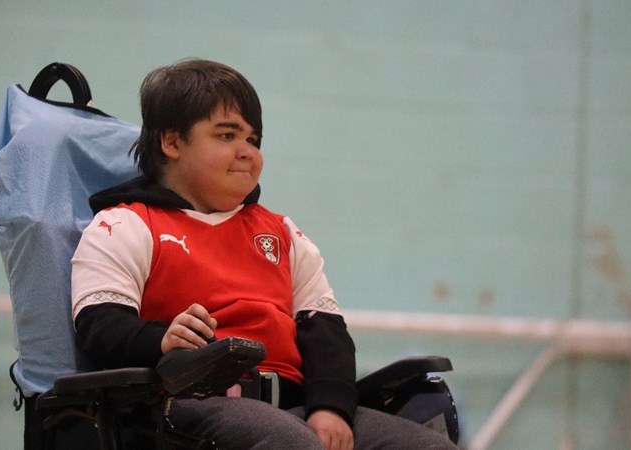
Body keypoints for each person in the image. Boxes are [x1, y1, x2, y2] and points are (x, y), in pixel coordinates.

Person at [71, 58, 457, 450]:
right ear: (172, 143)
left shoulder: (283, 233)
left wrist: (331, 408)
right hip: (184, 406)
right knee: (290, 443)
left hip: (294, 409)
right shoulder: (124, 225)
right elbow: (100, 326)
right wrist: (161, 341)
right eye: (227, 136)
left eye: (253, 140)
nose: (247, 152)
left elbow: (327, 335)